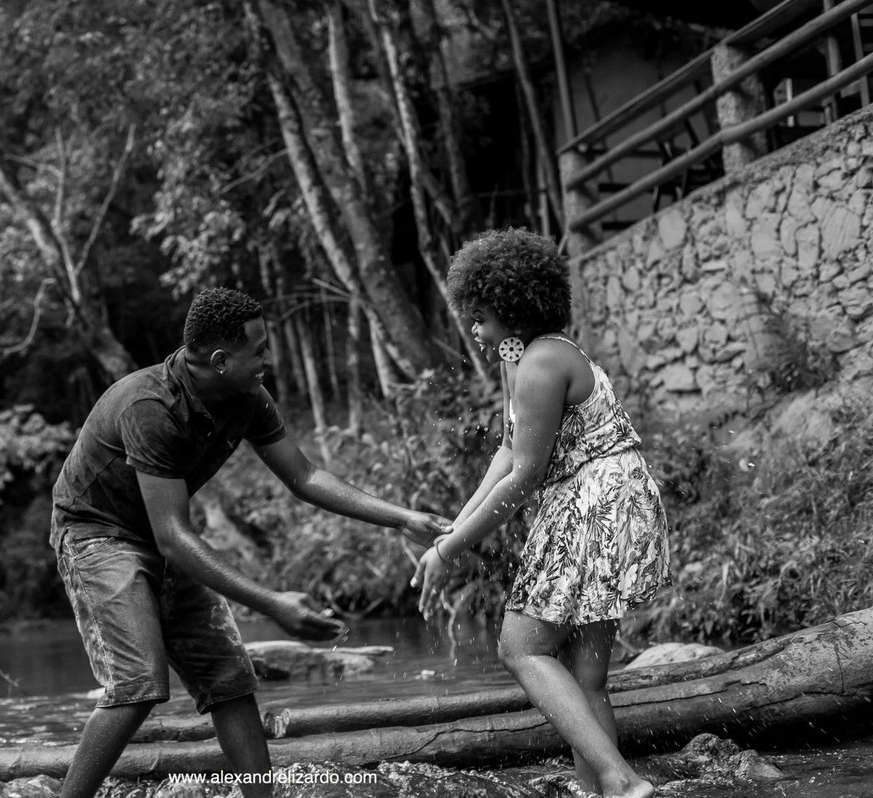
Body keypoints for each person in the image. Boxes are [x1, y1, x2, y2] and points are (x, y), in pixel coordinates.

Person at [52, 287, 449, 798]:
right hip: (96, 533)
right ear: (220, 360)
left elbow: (304, 476)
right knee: (139, 684)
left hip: (159, 531)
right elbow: (173, 538)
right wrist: (272, 603)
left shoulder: (248, 398)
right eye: (259, 349)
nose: (269, 359)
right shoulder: (149, 407)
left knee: (230, 678)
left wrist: (400, 517)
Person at [412, 229, 670, 798]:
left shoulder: (540, 363)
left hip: (591, 503)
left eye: (480, 318)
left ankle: (622, 782)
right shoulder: (526, 356)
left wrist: (451, 551)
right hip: (611, 499)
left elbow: (525, 476)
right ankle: (602, 792)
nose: (474, 332)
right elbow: (507, 447)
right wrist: (457, 525)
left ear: (511, 307)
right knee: (586, 678)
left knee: (521, 648)